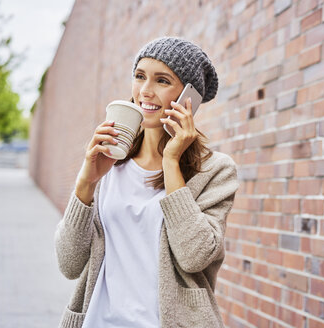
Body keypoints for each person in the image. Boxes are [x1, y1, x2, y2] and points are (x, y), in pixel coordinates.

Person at [55, 37, 239, 328]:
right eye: (139, 76)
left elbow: (195, 257)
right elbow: (69, 264)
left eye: (162, 80)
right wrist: (86, 181)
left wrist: (171, 162)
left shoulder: (216, 171)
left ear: (188, 98)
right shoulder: (108, 161)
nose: (145, 91)